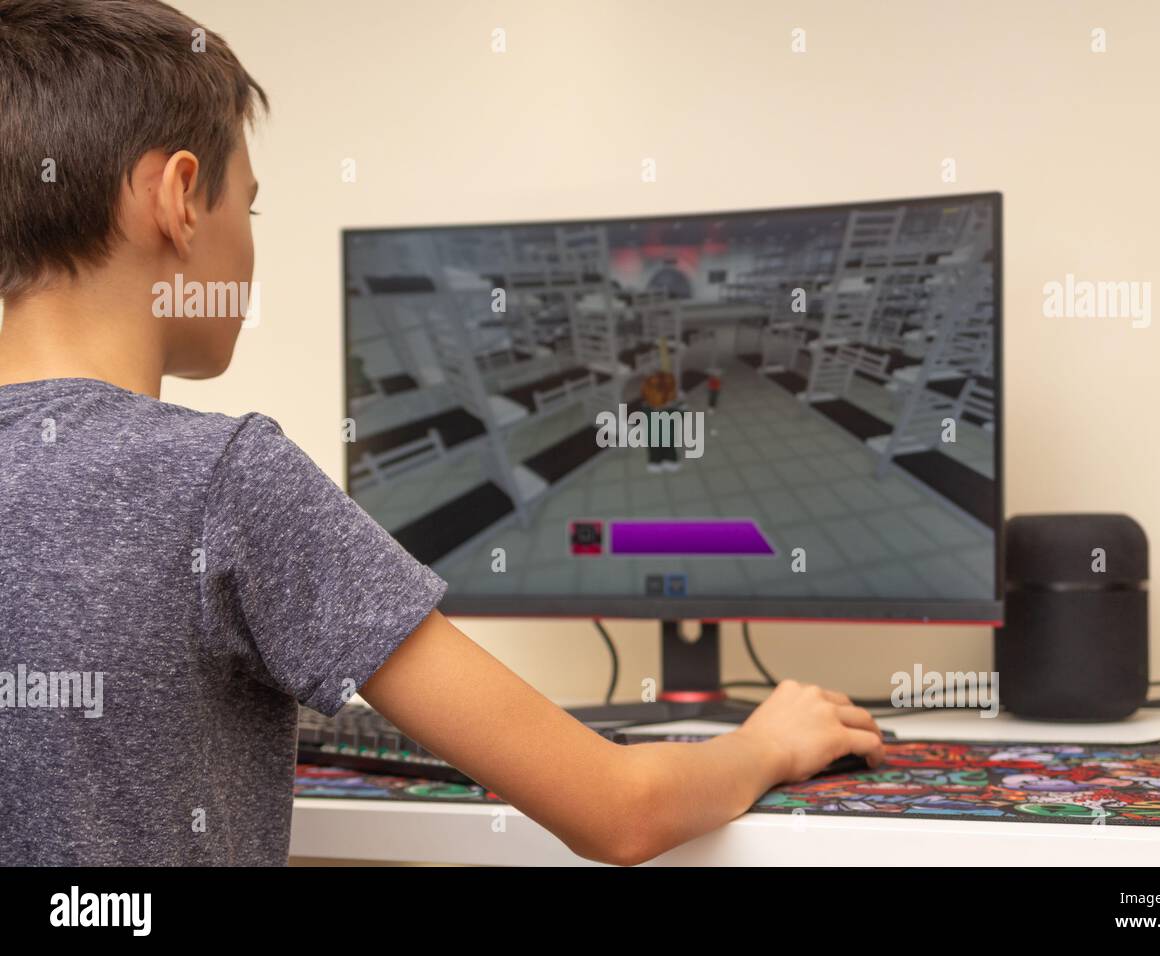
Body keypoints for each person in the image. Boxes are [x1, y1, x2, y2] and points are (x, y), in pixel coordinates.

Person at [0, 0, 884, 866]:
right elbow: (619, 811)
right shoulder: (221, 480)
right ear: (181, 197)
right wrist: (770, 740)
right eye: (252, 208)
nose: (251, 241)